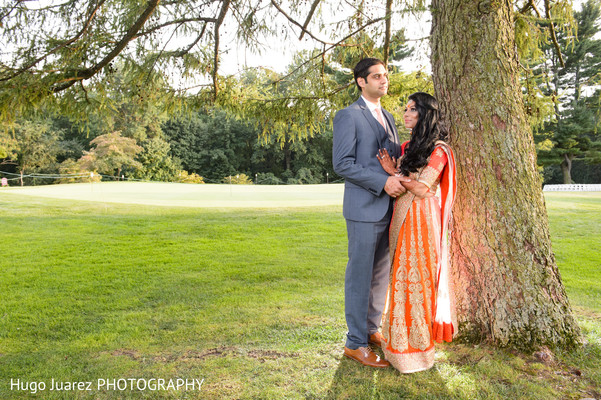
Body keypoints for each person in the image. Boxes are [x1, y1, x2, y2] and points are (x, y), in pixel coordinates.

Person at [332, 58, 409, 368]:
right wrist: (383, 182)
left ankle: (370, 329)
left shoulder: (389, 116)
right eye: (376, 76)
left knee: (379, 276)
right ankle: (354, 343)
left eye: (385, 75)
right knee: (359, 276)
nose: (383, 80)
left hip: (388, 208)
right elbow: (343, 164)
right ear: (361, 81)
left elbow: (391, 158)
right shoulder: (348, 116)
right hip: (363, 208)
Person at [377, 92, 457, 373]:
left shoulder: (439, 150)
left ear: (426, 114)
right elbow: (408, 180)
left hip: (421, 219)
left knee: (417, 279)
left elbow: (423, 188)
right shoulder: (409, 146)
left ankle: (419, 349)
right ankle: (396, 344)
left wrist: (397, 175)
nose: (406, 113)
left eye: (413, 109)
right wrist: (393, 169)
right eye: (406, 109)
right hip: (401, 215)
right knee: (399, 276)